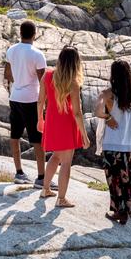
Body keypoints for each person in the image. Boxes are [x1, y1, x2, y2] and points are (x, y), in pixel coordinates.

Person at [94, 60, 131, 224]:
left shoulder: (107, 93)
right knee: (130, 179)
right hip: (130, 144)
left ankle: (119, 212)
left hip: (111, 143)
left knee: (114, 180)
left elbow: (97, 111)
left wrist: (108, 117)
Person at [38, 46, 88, 208]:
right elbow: (78, 113)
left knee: (56, 156)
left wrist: (39, 120)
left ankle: (45, 189)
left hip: (51, 121)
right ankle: (61, 198)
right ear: (75, 63)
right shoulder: (73, 83)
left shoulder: (47, 75)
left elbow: (40, 101)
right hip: (67, 124)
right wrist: (85, 136)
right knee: (66, 162)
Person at [4, 20, 47, 186]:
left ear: (20, 33)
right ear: (34, 34)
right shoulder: (37, 54)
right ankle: (41, 177)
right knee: (37, 139)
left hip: (15, 97)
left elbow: (7, 74)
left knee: (15, 135)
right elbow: (43, 81)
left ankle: (19, 173)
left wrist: (19, 82)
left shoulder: (11, 50)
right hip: (32, 99)